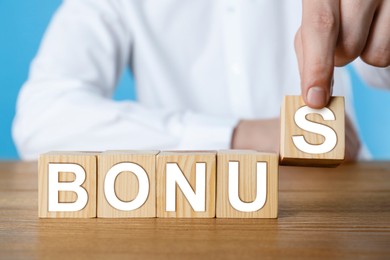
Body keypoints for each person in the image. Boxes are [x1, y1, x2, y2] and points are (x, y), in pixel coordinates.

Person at [13, 0, 390, 160]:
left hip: (344, 206)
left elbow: (378, 66)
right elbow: (41, 119)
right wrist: (239, 135)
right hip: (185, 220)